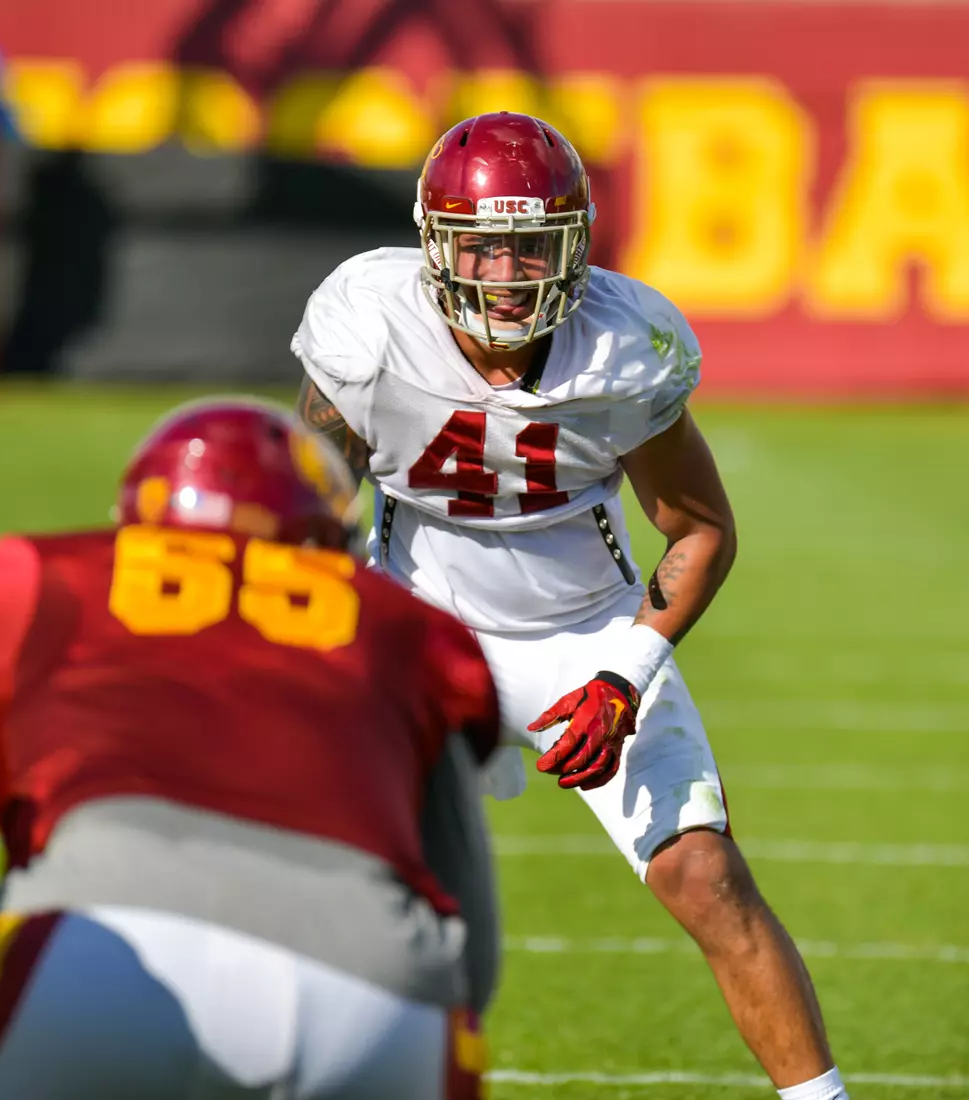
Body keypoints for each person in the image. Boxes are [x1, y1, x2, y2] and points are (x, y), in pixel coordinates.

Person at [291, 110, 847, 1100]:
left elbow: (699, 527)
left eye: (530, 247)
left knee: (706, 876)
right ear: (434, 242)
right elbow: (311, 506)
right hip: (416, 628)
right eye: (483, 245)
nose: (506, 274)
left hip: (581, 634)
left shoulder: (624, 346)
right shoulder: (367, 324)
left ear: (576, 247)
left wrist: (624, 671)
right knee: (320, 865)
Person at [0, 399, 501, 1099]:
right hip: (385, 1008)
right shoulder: (403, 631)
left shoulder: (42, 581)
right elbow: (476, 956)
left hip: (97, 958)